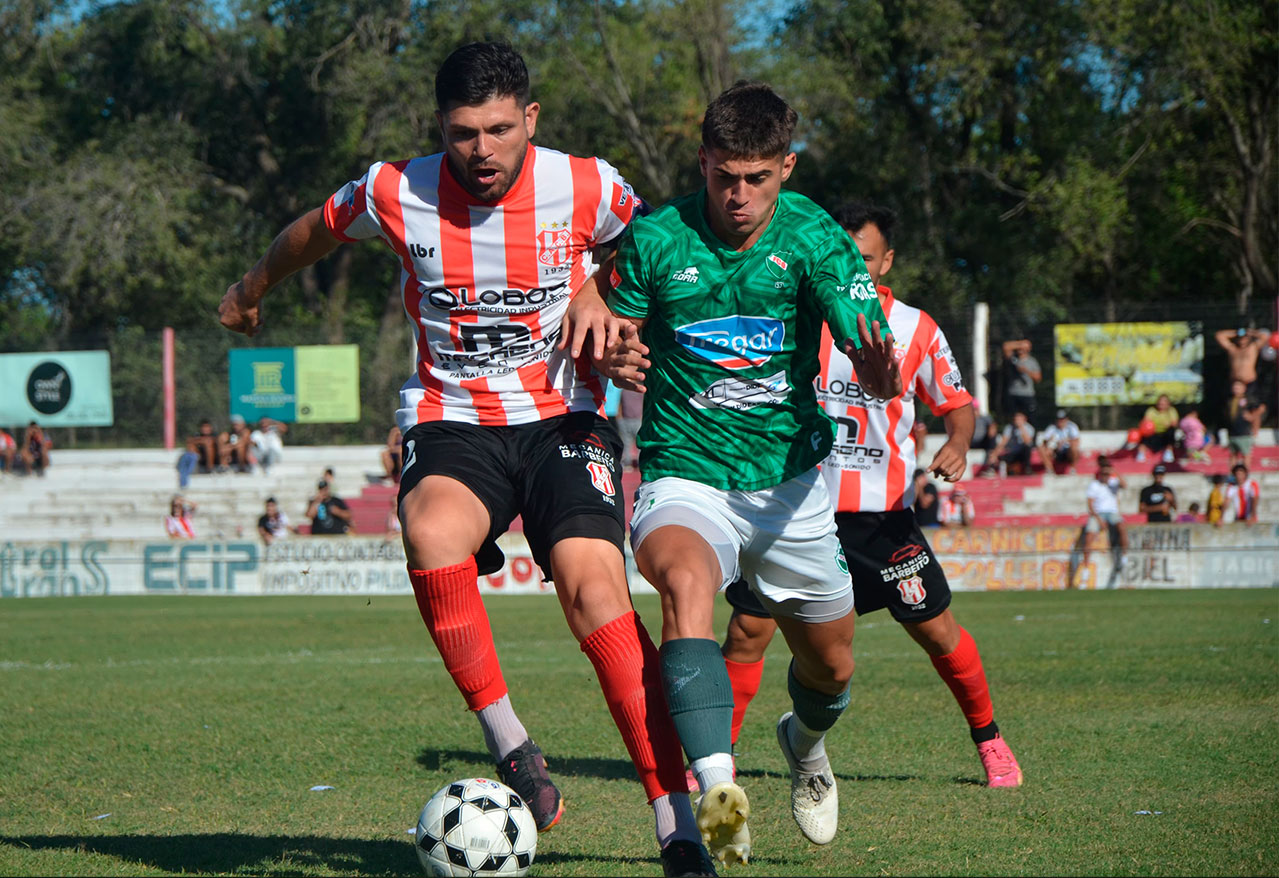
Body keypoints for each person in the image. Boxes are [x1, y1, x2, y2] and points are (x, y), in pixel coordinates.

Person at [217, 42, 713, 877]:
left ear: (530, 119)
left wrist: (609, 302)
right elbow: (314, 230)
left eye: (498, 130)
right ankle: (509, 741)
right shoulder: (394, 190)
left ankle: (676, 825)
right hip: (452, 416)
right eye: (461, 133)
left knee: (595, 592)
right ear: (438, 127)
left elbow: (661, 249)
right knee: (430, 531)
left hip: (564, 416)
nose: (481, 150)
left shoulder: (587, 185)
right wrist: (251, 287)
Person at [586, 83, 902, 864]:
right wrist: (617, 354)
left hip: (790, 487)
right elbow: (615, 331)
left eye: (757, 178)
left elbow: (866, 344)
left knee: (831, 667)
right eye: (724, 176)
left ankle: (805, 743)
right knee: (684, 587)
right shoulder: (657, 238)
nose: (738, 195)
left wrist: (875, 365)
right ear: (702, 161)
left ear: (785, 167)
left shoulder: (817, 239)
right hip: (684, 472)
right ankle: (719, 800)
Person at [685, 201, 1020, 810]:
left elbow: (957, 403)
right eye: (839, 255)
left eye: (862, 258)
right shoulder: (791, 314)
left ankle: (990, 740)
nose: (849, 268)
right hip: (792, 507)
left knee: (938, 631)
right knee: (747, 632)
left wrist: (959, 442)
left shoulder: (915, 328)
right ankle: (718, 759)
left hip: (879, 520)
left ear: (886, 262)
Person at [1069, 456, 1127, 589]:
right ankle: (1085, 568)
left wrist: (1114, 471)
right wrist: (1100, 520)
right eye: (1104, 473)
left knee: (1122, 527)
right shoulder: (1094, 485)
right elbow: (1090, 505)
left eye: (1107, 473)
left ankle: (1124, 556)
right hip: (1098, 514)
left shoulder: (1113, 483)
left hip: (1112, 513)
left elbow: (1124, 485)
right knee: (1089, 537)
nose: (1106, 475)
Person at [1215, 327, 1271, 397]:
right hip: (1235, 383)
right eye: (1240, 338)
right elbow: (1219, 335)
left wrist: (1250, 333)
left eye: (1245, 338)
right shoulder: (1233, 349)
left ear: (1248, 339)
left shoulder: (1252, 348)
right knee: (1233, 402)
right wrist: (1237, 332)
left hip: (1249, 382)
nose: (1242, 340)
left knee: (1251, 401)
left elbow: (1265, 337)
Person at [1225, 379, 1267, 469]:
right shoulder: (1230, 400)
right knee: (1233, 455)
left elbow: (1261, 408)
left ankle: (1245, 472)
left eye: (1238, 387)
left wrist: (1252, 416)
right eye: (1234, 386)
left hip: (1244, 433)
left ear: (1244, 388)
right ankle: (1233, 473)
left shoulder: (1248, 399)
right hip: (1232, 433)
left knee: (1246, 454)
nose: (1236, 388)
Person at [999, 338, 1040, 420]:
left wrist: (1025, 371)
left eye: (1023, 348)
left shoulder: (1032, 361)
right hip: (1013, 393)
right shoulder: (1013, 359)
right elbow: (1005, 346)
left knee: (1030, 417)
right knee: (1014, 418)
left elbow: (1038, 378)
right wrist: (1021, 343)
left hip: (1027, 394)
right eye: (1019, 348)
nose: (1021, 349)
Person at [1038, 409, 1081, 475]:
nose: (1060, 421)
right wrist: (1051, 443)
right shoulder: (1052, 427)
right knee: (1041, 448)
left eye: (1062, 419)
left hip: (1067, 451)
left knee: (1074, 448)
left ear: (1066, 419)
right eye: (1059, 419)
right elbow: (1044, 441)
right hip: (1055, 451)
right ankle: (1050, 470)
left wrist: (1066, 441)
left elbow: (1077, 441)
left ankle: (1073, 469)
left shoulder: (1072, 426)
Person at [178, 419, 220, 487]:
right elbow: (189, 440)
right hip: (201, 459)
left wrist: (200, 441)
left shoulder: (215, 435)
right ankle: (189, 470)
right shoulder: (197, 435)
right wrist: (201, 440)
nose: (205, 429)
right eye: (203, 427)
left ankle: (209, 468)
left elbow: (210, 441)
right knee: (191, 446)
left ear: (210, 428)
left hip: (214, 460)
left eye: (207, 427)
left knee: (208, 445)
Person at [1137, 394, 1179, 463]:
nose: (1161, 403)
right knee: (1143, 433)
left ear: (1168, 404)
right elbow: (1145, 421)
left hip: (1165, 434)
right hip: (1153, 433)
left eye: (1164, 402)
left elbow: (1175, 423)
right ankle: (1141, 454)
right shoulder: (1151, 410)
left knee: (1171, 431)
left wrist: (1168, 424)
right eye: (1160, 402)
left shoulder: (1171, 411)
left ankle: (1168, 454)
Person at [993, 410, 1036, 476]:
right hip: (1013, 452)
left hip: (1024, 453)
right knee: (1000, 457)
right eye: (1016, 419)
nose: (1017, 421)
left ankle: (1028, 468)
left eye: (1019, 419)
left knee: (1027, 448)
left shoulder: (1029, 428)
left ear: (1024, 419)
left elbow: (1028, 442)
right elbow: (1003, 442)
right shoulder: (1009, 428)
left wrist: (1021, 428)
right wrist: (995, 454)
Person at [970, 400, 1000, 476]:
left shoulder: (985, 418)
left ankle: (991, 465)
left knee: (992, 437)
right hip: (970, 442)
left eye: (975, 409)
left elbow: (993, 428)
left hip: (982, 442)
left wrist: (991, 428)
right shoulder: (966, 419)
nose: (975, 411)